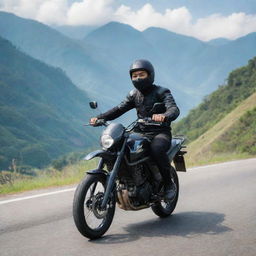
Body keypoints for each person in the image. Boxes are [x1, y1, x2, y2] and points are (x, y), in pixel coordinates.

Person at [90, 59, 180, 200]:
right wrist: (100, 117)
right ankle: (130, 179)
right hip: (140, 131)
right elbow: (119, 109)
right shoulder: (133, 94)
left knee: (156, 149)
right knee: (120, 146)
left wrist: (164, 116)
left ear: (150, 75)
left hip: (159, 133)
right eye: (134, 75)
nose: (137, 78)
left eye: (141, 74)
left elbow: (174, 109)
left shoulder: (162, 92)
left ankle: (168, 184)